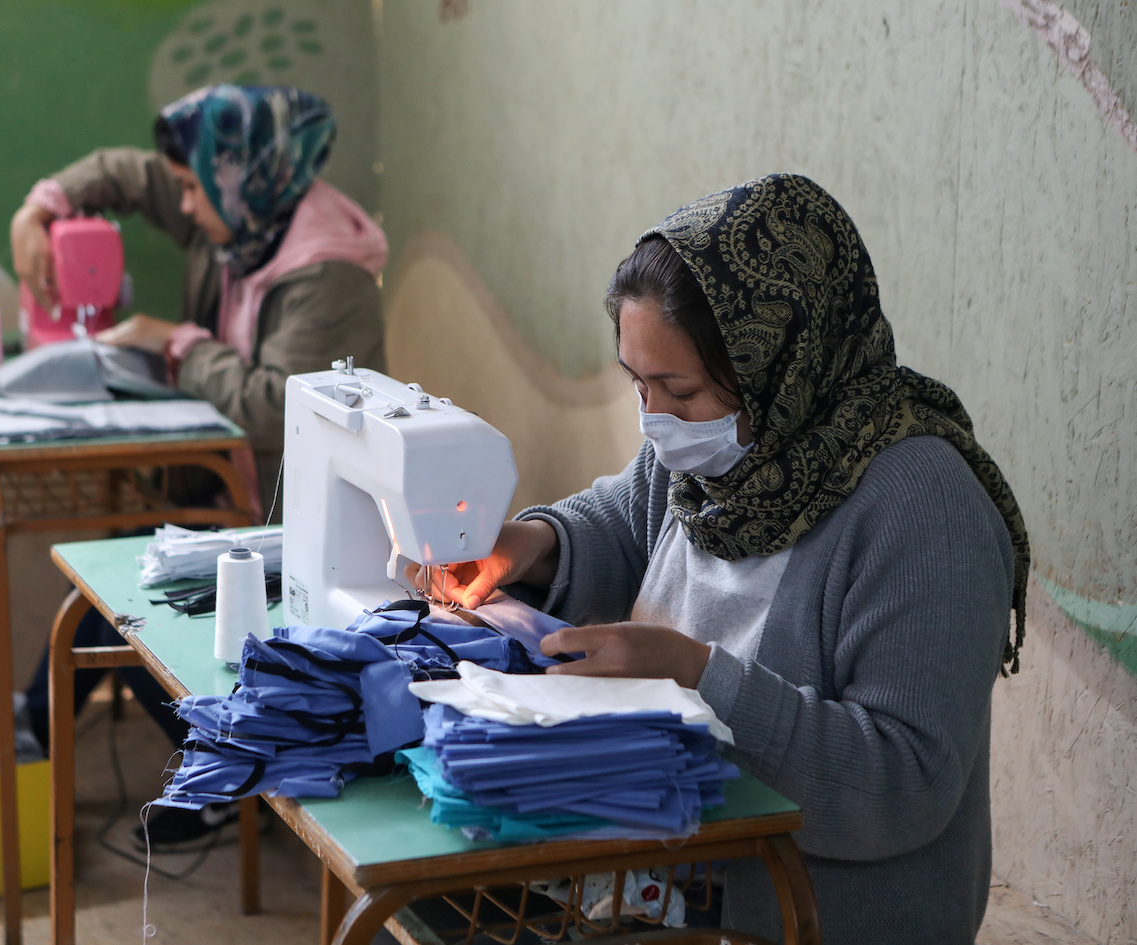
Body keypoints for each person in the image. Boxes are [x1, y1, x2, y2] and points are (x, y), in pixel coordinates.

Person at [424, 174, 1029, 945]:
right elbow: (621, 518)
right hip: (672, 882)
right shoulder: (716, 460)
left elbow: (904, 781)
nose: (653, 421)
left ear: (779, 362)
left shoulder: (922, 509)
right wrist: (531, 545)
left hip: (814, 914)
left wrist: (698, 676)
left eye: (676, 388)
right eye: (635, 382)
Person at [12, 84, 387, 851]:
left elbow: (269, 404)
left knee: (111, 598)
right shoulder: (244, 210)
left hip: (301, 519)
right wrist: (40, 208)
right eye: (183, 185)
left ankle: (207, 767)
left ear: (238, 176)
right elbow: (126, 172)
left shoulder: (326, 273)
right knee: (107, 587)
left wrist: (178, 344)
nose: (180, 206)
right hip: (235, 488)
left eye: (191, 188)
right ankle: (40, 740)